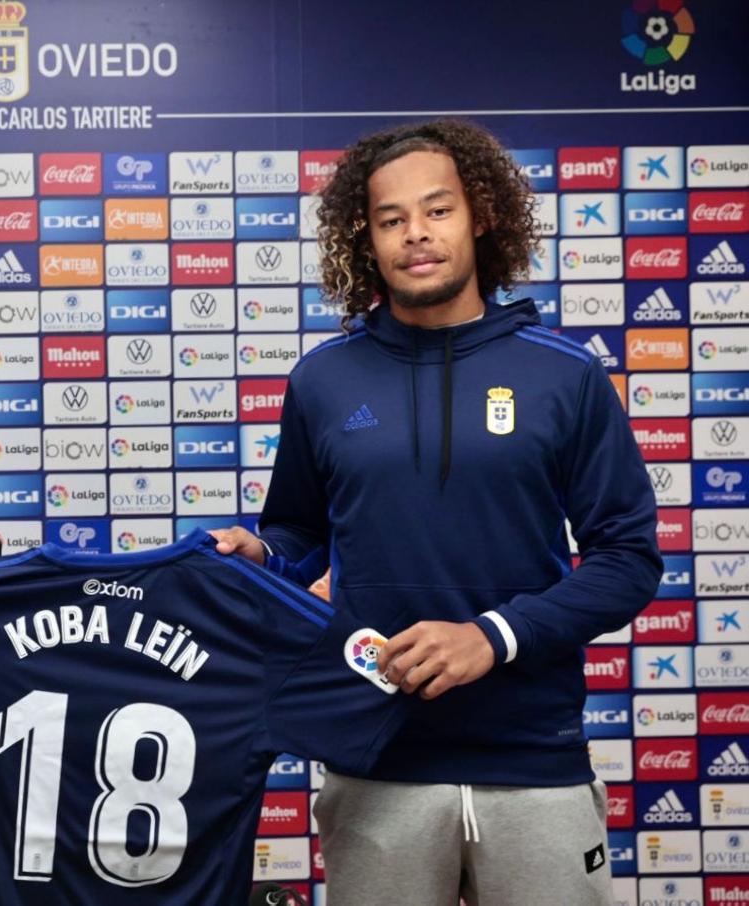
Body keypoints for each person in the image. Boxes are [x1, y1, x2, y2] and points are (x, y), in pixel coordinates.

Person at [212, 120, 661, 905]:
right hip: (374, 755)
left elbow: (627, 560)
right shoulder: (322, 380)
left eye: (437, 210)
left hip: (533, 759)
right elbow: (301, 534)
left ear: (481, 216)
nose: (416, 234)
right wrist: (266, 561)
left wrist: (493, 637)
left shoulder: (565, 376)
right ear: (366, 237)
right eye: (391, 219)